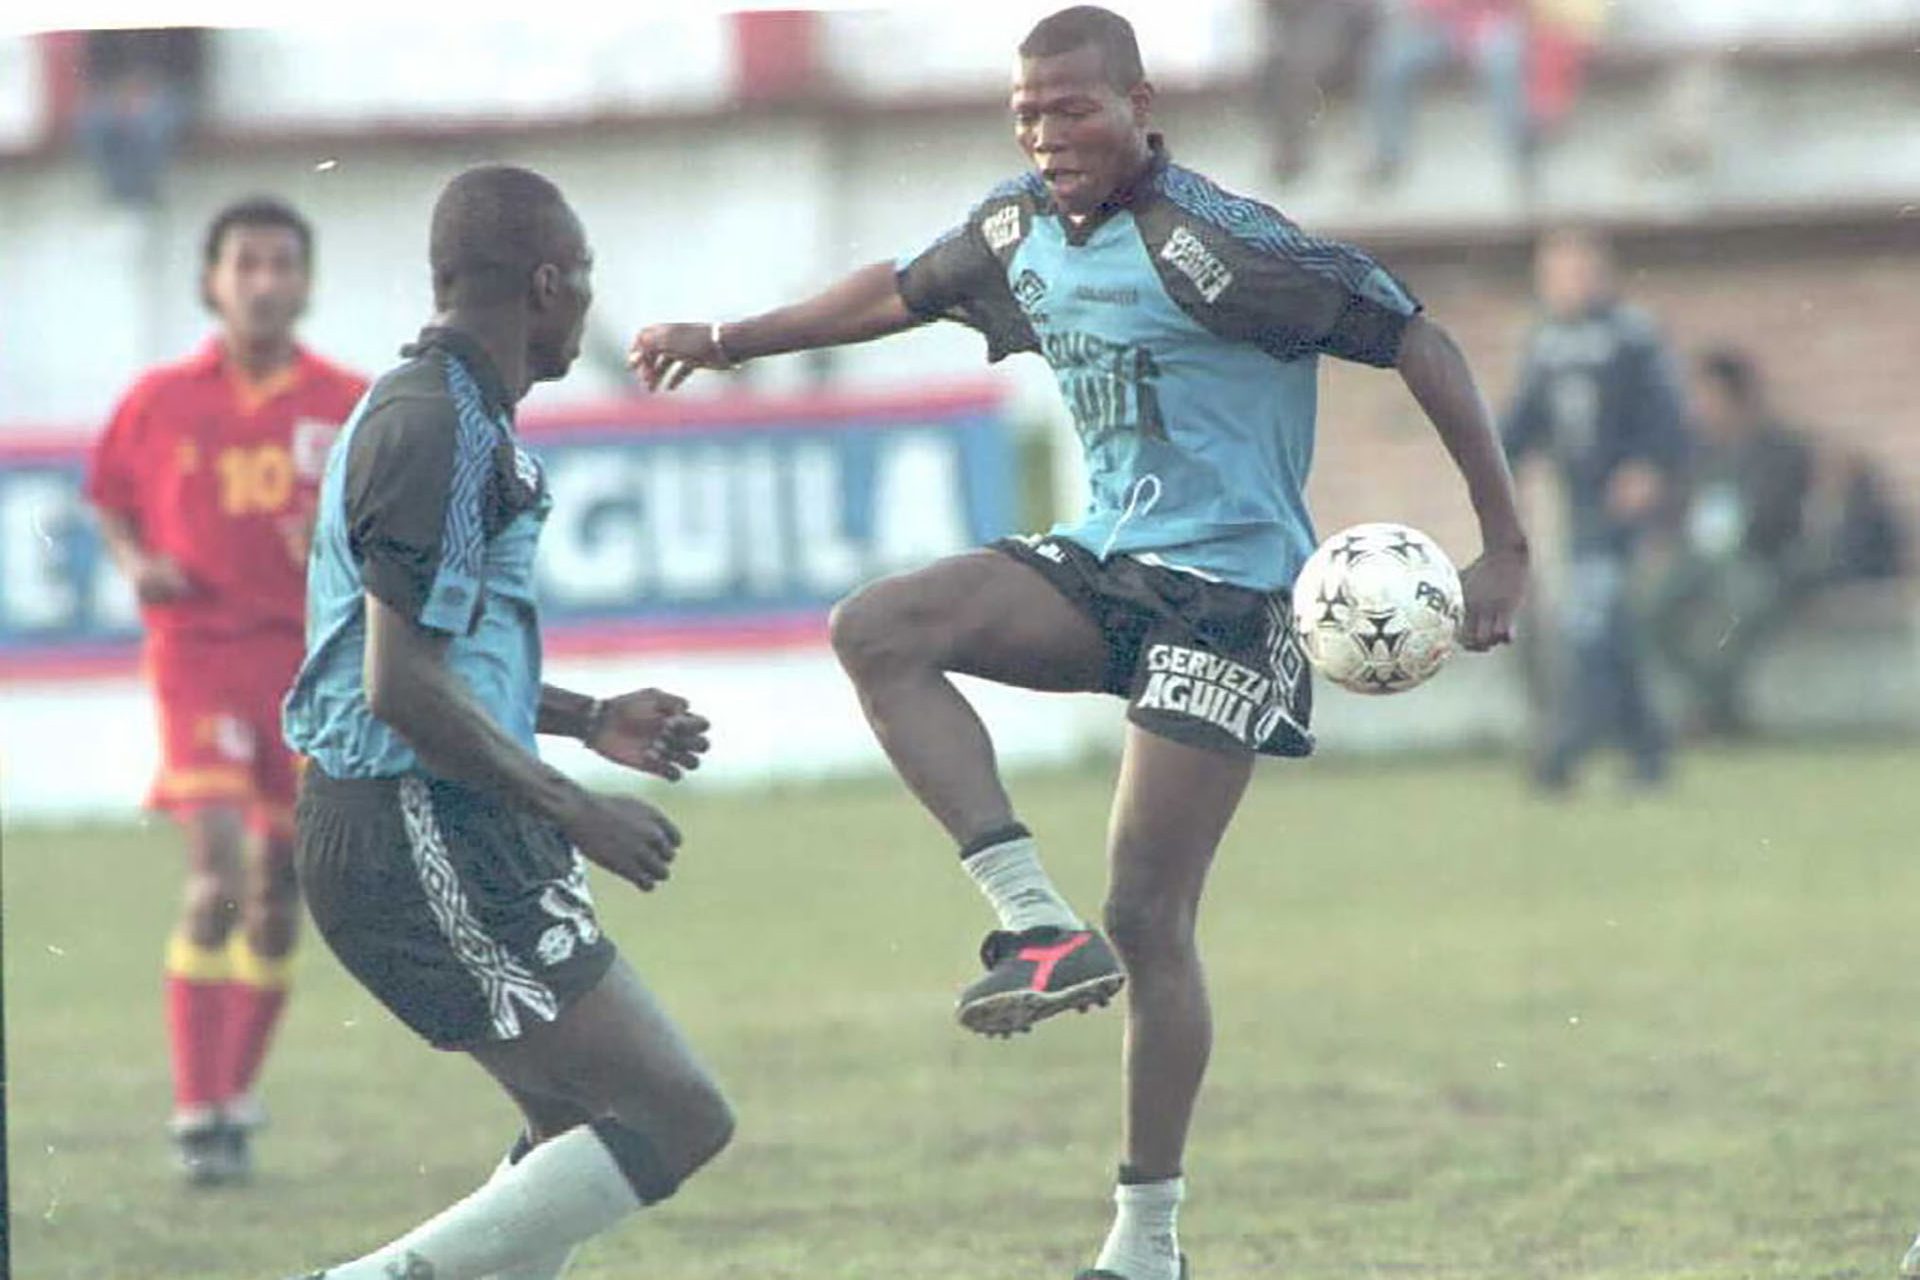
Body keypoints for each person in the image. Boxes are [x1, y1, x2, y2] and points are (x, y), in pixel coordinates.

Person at [631, 9, 1529, 1277]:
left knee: (1152, 915)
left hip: (1232, 602)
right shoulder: (1016, 228)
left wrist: (1506, 549)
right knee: (878, 627)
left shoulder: (1227, 248)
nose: (1049, 137)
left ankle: (1145, 1234)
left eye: (1073, 111)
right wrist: (727, 342)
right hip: (1101, 568)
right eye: (1029, 116)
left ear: (1139, 104)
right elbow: (897, 289)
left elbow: (1418, 337)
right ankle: (1031, 922)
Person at [281, 164, 728, 1280]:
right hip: (415, 818)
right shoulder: (438, 429)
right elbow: (398, 688)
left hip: (427, 814)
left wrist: (584, 717)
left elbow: (431, 655)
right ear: (547, 282)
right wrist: (577, 810)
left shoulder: (444, 412)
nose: (587, 302)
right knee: (677, 1116)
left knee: (571, 1139)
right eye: (585, 279)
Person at [85, 196, 366, 1184]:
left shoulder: (346, 403)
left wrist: (336, 546)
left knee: (277, 897)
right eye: (244, 263)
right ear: (212, 280)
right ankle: (194, 1106)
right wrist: (135, 560)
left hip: (303, 668)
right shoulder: (159, 400)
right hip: (197, 654)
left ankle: (232, 1098)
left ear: (306, 282)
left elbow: (390, 530)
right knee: (213, 876)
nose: (263, 281)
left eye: (282, 263)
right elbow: (111, 498)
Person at [1502, 225, 1688, 792]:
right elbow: (1523, 422)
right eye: (1554, 274)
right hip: (1579, 506)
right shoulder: (1545, 342)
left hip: (1623, 508)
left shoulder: (1632, 337)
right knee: (1606, 629)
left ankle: (1564, 752)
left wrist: (1649, 467)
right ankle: (1647, 754)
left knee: (1593, 625)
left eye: (1575, 272)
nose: (1565, 285)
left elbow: (1667, 416)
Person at [1647, 349, 1813, 737]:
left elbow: (1782, 516)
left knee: (1744, 602)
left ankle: (1711, 711)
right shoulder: (1695, 453)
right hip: (1699, 560)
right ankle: (1714, 704)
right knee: (1649, 605)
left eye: (1707, 397)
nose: (1699, 407)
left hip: (1760, 560)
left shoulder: (1781, 450)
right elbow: (1675, 508)